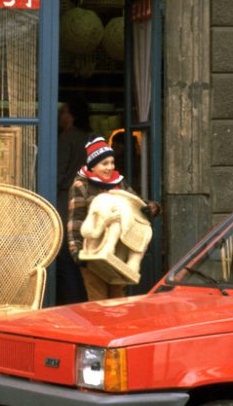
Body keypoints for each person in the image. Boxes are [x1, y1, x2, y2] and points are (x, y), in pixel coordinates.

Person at [68, 136, 160, 301]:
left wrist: (152, 208)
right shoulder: (81, 186)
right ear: (92, 165)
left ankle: (114, 327)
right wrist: (77, 252)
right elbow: (76, 221)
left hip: (118, 253)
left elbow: (137, 205)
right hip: (93, 253)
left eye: (112, 162)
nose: (110, 167)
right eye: (104, 164)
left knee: (118, 300)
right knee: (98, 300)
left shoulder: (120, 182)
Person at [54, 97, 93, 304]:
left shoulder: (67, 138)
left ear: (71, 116)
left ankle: (71, 304)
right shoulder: (93, 138)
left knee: (65, 257)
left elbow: (57, 174)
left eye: (62, 112)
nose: (59, 117)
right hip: (90, 203)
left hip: (65, 201)